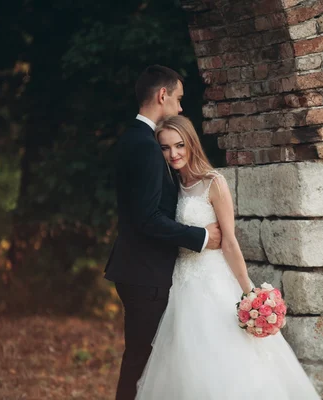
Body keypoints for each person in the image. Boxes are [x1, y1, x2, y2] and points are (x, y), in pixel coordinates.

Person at [135, 115, 321, 400]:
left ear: (191, 143)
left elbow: (230, 241)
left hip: (211, 280)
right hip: (181, 283)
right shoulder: (168, 186)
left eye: (180, 145)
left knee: (230, 361)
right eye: (165, 147)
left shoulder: (214, 183)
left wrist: (249, 291)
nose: (173, 154)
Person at [104, 65, 222, 400]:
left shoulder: (135, 138)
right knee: (142, 362)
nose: (181, 108)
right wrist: (199, 237)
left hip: (140, 269)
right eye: (179, 99)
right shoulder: (143, 145)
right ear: (162, 95)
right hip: (145, 273)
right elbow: (146, 217)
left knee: (147, 360)